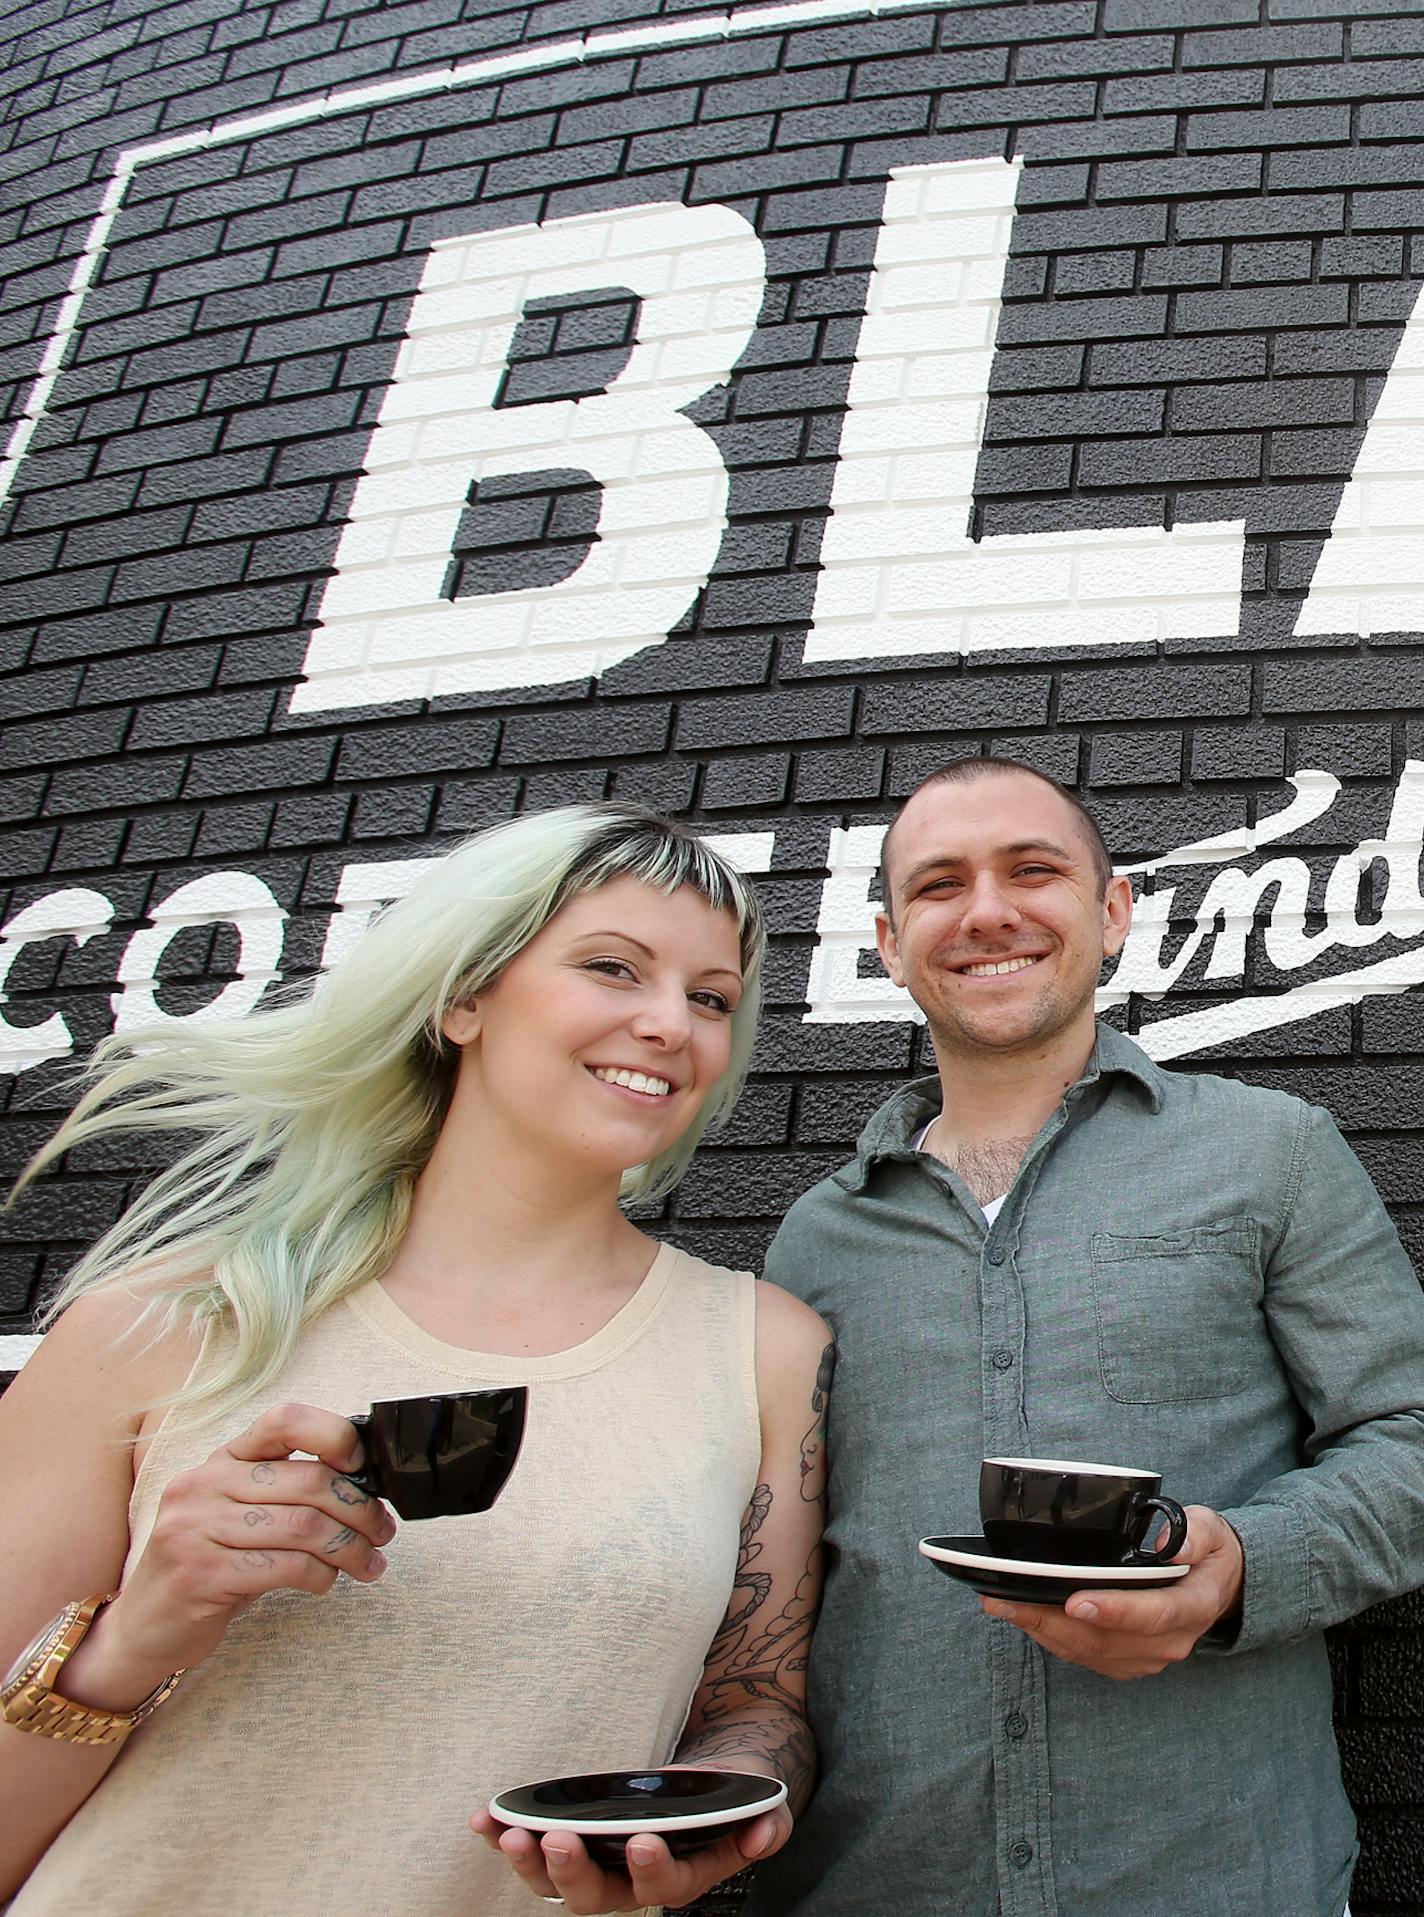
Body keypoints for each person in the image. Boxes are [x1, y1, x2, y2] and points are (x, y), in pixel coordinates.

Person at [0, 802, 831, 1917]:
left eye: (710, 998)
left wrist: (726, 1804)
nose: (668, 1024)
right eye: (611, 968)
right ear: (464, 996)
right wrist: (138, 1633)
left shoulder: (765, 1348)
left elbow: (754, 1698)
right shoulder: (158, 1322)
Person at [747, 755, 1424, 1917]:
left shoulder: (1272, 1152)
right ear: (886, 941)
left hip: (1213, 1879)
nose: (988, 911)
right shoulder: (815, 1240)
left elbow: (1409, 1440)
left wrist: (1241, 1570)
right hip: (881, 1885)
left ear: (1111, 912)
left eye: (1033, 871)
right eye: (938, 885)